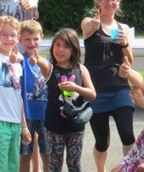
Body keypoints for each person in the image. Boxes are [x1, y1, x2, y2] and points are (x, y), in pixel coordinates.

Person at [80, 0, 135, 172]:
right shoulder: (90, 22)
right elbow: (86, 28)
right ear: (98, 2)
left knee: (128, 134)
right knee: (102, 141)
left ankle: (128, 169)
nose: (109, 3)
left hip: (120, 87)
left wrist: (125, 44)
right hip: (96, 90)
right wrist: (93, 25)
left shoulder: (124, 28)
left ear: (118, 2)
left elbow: (130, 60)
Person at [31, 28, 96, 172]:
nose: (61, 50)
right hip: (54, 127)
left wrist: (76, 88)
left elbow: (92, 94)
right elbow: (41, 63)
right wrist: (36, 60)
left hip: (76, 126)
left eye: (66, 46)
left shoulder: (81, 69)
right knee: (55, 165)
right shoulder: (50, 68)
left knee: (74, 165)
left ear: (74, 49)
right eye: (57, 45)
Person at [0, 15, 31, 172]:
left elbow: (19, 98)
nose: (8, 38)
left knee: (12, 167)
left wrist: (24, 126)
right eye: (3, 33)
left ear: (18, 38)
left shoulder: (17, 63)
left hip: (15, 123)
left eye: (12, 35)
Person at [18, 20, 50, 172]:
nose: (32, 43)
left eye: (35, 39)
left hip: (46, 115)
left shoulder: (48, 62)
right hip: (27, 115)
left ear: (42, 37)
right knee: (25, 155)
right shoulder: (18, 62)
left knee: (47, 154)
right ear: (20, 39)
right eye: (27, 39)